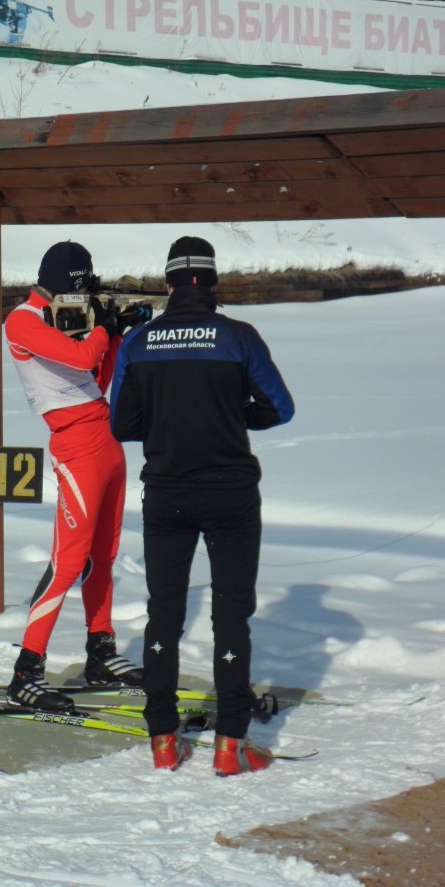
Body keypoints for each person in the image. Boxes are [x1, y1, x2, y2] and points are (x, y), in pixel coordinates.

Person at [109, 236, 295, 774]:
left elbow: (121, 423)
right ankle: (231, 746)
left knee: (164, 612)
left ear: (168, 285)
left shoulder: (140, 342)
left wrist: (167, 425)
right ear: (213, 284)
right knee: (232, 614)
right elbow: (280, 408)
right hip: (231, 493)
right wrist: (235, 417)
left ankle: (164, 742)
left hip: (167, 493)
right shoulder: (239, 337)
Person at [4, 240, 145, 712]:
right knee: (68, 562)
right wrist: (104, 328)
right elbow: (83, 358)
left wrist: (119, 334)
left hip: (106, 437)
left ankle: (100, 650)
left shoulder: (75, 320)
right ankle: (27, 670)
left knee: (104, 554)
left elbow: (97, 378)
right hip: (75, 445)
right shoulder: (22, 319)